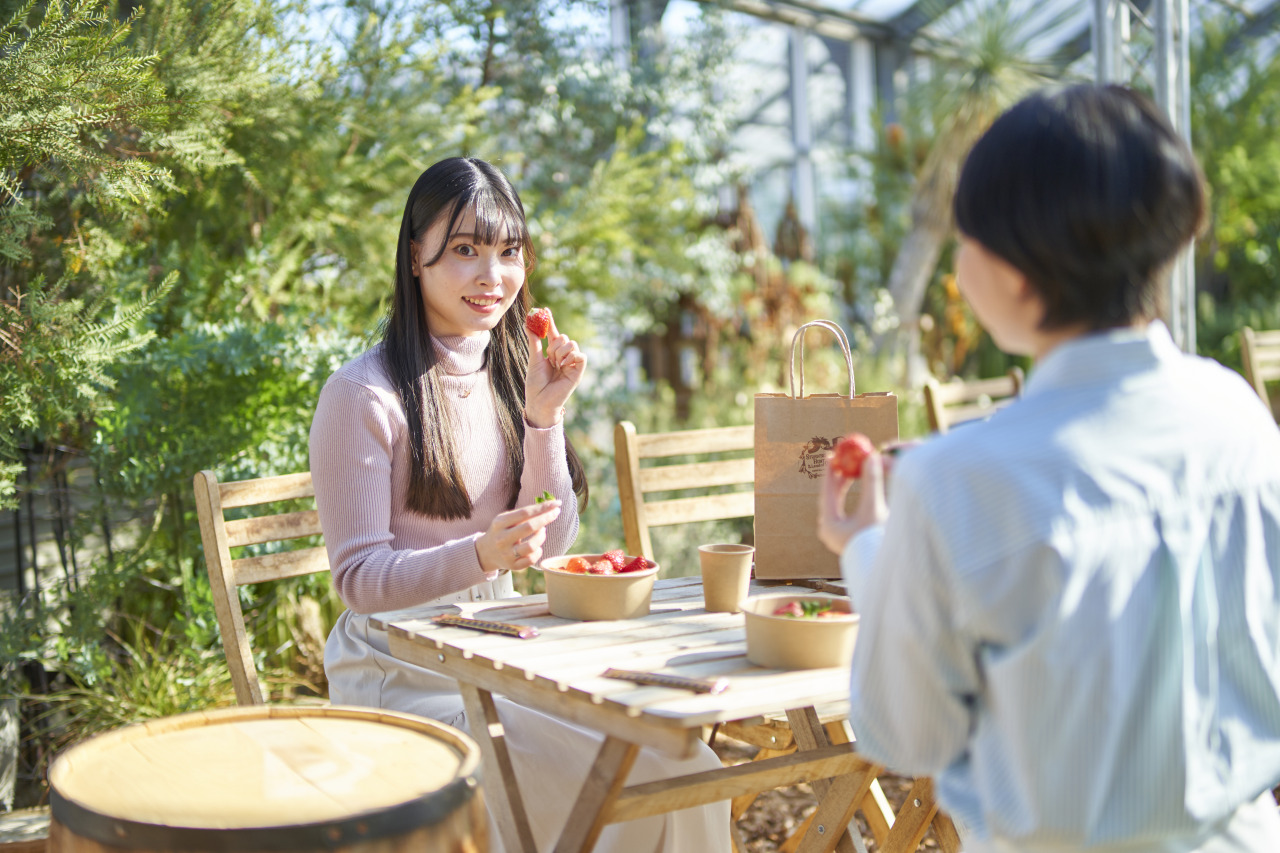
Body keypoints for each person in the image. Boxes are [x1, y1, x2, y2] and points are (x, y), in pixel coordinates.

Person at [818, 84, 1280, 853]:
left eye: (967, 242)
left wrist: (868, 547)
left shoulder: (960, 478)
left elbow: (907, 733)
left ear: (1018, 270)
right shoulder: (1240, 419)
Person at [310, 157, 730, 853]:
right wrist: (478, 554)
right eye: (466, 250)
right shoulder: (363, 395)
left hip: (501, 650)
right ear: (416, 256)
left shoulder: (510, 371)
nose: (492, 276)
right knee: (544, 782)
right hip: (405, 670)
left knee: (681, 766)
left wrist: (543, 419)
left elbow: (554, 541)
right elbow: (358, 579)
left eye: (508, 252)